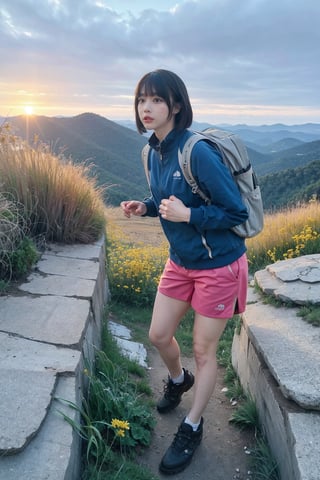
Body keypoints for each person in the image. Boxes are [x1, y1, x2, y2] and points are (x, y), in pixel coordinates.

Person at [120, 69, 249, 475]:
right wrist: (147, 205)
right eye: (143, 99)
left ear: (176, 105)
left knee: (203, 350)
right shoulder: (150, 152)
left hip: (220, 266)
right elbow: (168, 195)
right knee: (158, 334)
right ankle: (178, 380)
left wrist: (189, 213)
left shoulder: (197, 151)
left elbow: (235, 212)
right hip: (180, 261)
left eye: (157, 100)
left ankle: (192, 425)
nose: (147, 107)